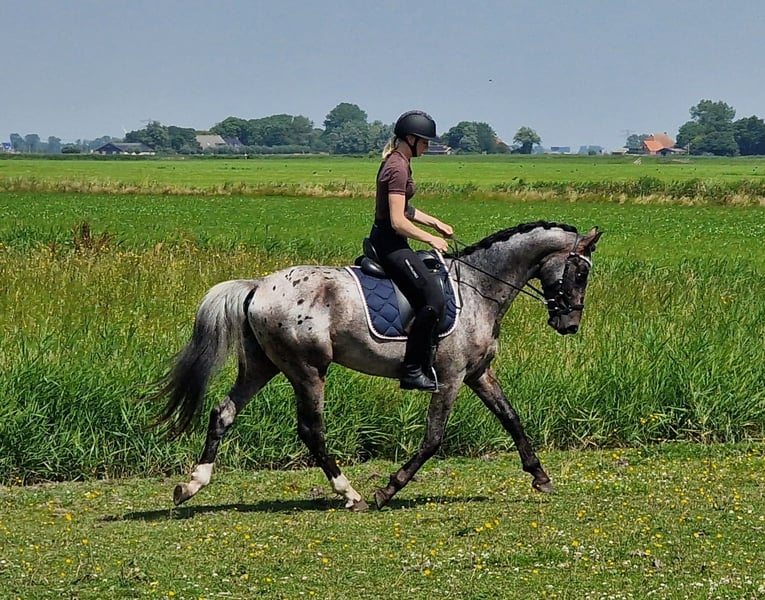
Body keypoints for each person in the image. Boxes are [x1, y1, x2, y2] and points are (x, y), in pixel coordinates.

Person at [368, 110, 454, 392]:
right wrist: (431, 239)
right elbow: (397, 221)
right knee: (433, 298)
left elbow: (405, 208)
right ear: (410, 139)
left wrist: (435, 222)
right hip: (389, 243)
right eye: (425, 141)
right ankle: (413, 370)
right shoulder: (397, 167)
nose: (427, 147)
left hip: (393, 240)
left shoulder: (401, 161)